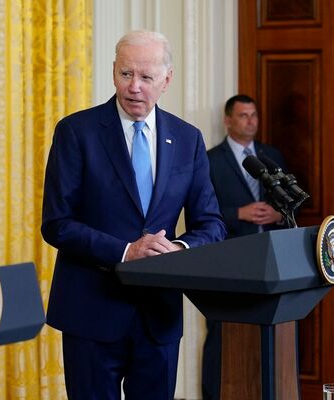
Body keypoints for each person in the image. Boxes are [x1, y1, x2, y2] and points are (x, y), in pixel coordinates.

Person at [41, 30, 226, 399]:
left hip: (158, 316)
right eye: (126, 74)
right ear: (113, 71)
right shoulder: (76, 131)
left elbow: (212, 224)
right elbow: (57, 223)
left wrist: (176, 250)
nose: (134, 87)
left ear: (167, 80)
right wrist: (126, 252)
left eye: (146, 77)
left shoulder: (187, 139)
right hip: (91, 312)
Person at [201, 94, 286, 400]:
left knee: (270, 333)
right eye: (243, 115)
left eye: (254, 115)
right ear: (228, 120)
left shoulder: (271, 155)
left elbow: (291, 202)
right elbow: (200, 213)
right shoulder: (210, 159)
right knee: (221, 332)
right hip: (230, 259)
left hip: (271, 258)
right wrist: (239, 213)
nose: (251, 121)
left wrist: (278, 214)